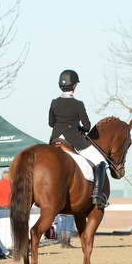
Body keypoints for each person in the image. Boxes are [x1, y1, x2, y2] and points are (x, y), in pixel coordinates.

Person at [48, 69, 107, 209]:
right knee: (101, 161)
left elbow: (51, 123)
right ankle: (97, 196)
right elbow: (87, 126)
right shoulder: (78, 104)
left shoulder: (54, 102)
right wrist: (79, 128)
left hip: (55, 139)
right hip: (73, 139)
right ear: (74, 86)